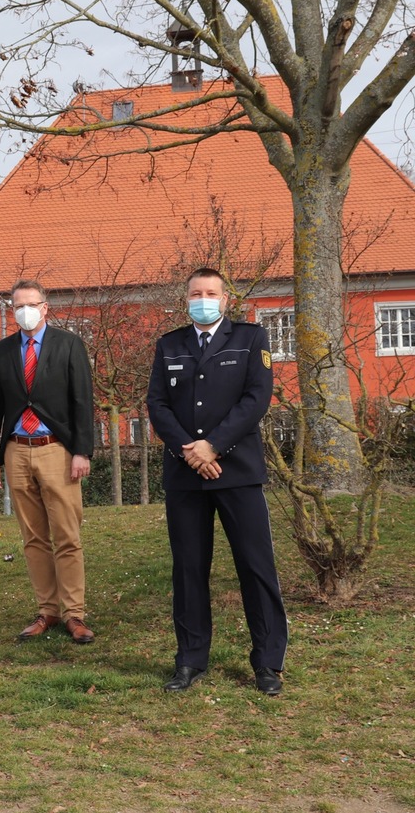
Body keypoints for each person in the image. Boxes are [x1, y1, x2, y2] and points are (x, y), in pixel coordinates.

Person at [147, 268, 288, 695]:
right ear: (185, 299)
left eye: (210, 293)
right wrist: (192, 451)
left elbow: (256, 399)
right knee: (189, 570)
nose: (203, 299)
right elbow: (157, 404)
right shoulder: (169, 344)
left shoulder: (250, 339)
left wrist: (214, 446)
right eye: (195, 293)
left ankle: (267, 664)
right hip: (185, 476)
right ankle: (190, 661)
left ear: (225, 299)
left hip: (237, 472)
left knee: (255, 567)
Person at [0, 279, 96, 644]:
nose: (25, 310)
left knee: (66, 535)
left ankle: (74, 613)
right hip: (16, 450)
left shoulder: (69, 345)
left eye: (31, 304)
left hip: (56, 449)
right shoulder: (2, 351)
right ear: (12, 310)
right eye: (18, 305)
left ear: (45, 307)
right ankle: (47, 610)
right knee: (33, 538)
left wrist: (82, 450)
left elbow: (82, 401)